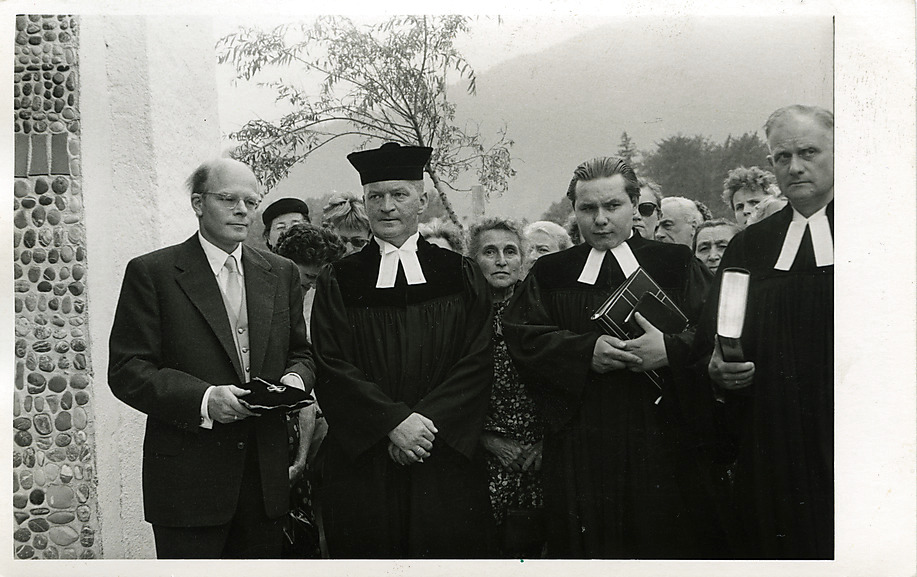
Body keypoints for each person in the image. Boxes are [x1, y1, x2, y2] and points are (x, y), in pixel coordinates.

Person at [503, 156, 718, 559]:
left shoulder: (675, 263)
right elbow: (523, 336)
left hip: (663, 435)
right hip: (581, 440)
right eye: (588, 208)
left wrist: (670, 349)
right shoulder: (551, 272)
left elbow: (716, 329)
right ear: (574, 210)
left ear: (634, 205)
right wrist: (585, 351)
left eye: (613, 206)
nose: (600, 219)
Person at [107, 158, 315, 559]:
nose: (242, 210)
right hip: (188, 486)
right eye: (228, 199)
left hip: (266, 483)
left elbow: (301, 353)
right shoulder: (153, 272)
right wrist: (204, 401)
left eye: (251, 202)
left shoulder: (281, 272)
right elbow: (127, 370)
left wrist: (294, 381)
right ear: (198, 203)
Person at [311, 142, 496, 558]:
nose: (387, 206)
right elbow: (331, 364)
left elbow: (477, 359)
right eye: (375, 196)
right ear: (365, 203)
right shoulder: (338, 279)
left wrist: (422, 427)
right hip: (366, 458)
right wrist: (392, 423)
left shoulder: (459, 273)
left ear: (422, 200)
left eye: (399, 194)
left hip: (442, 452)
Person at [695, 105, 834, 559]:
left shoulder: (888, 230)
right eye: (782, 157)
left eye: (809, 152)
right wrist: (717, 369)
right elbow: (714, 340)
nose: (795, 167)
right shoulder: (750, 245)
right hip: (772, 437)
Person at [470, 217, 545, 558]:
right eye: (490, 252)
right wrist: (489, 441)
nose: (501, 260)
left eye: (510, 251)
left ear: (522, 260)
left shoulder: (543, 313)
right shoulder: (462, 317)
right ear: (473, 260)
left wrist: (545, 443)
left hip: (538, 458)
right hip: (481, 458)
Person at [272, 222, 346, 558]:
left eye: (315, 280)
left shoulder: (323, 306)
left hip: (320, 433)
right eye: (306, 278)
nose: (309, 287)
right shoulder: (272, 306)